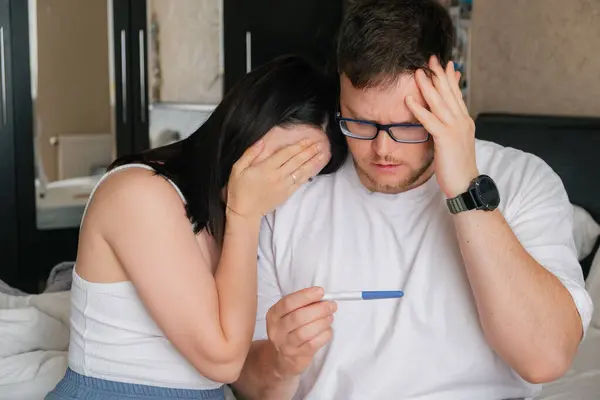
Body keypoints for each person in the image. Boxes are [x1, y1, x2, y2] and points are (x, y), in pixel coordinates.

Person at [232, 1, 593, 399]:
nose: (381, 149)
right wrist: (282, 364)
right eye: (360, 122)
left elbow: (546, 358)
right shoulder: (290, 194)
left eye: (408, 125)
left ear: (450, 90)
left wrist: (464, 188)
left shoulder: (524, 180)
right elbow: (249, 382)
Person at [45, 55, 346, 400]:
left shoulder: (232, 219)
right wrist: (244, 217)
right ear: (250, 122)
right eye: (284, 163)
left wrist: (287, 358)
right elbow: (224, 361)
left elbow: (245, 374)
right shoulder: (139, 194)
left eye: (301, 177)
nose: (282, 185)